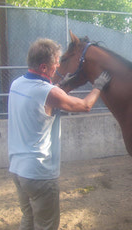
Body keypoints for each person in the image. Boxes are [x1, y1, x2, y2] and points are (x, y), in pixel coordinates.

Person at [8, 38, 111, 230]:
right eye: (56, 63)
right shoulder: (47, 92)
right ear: (44, 67)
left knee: (28, 219)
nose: (58, 67)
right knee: (46, 225)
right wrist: (98, 86)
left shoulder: (16, 84)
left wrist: (59, 84)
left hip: (17, 169)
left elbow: (42, 97)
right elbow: (85, 105)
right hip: (38, 173)